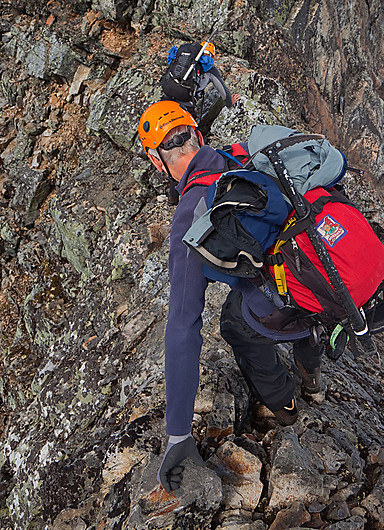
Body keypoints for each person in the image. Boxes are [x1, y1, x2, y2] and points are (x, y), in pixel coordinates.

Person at [138, 100, 324, 494]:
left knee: (236, 324)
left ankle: (285, 405)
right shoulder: (240, 157)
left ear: (157, 162)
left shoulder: (190, 216)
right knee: (299, 290)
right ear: (199, 136)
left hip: (286, 298)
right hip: (321, 271)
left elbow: (183, 327)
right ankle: (312, 375)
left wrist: (177, 434)